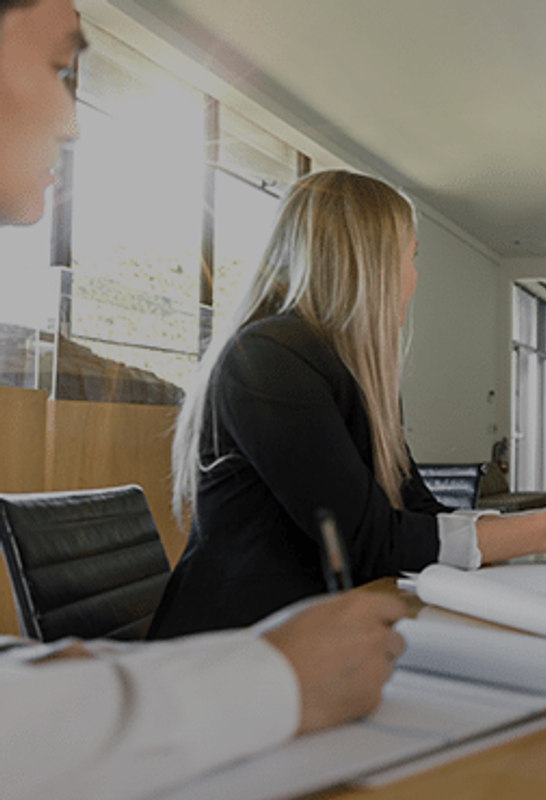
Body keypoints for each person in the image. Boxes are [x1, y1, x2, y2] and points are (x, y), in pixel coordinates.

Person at [0, 2, 407, 797]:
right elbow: (368, 537)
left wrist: (46, 671)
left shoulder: (338, 368)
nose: (72, 121)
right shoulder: (272, 356)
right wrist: (266, 682)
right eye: (57, 67)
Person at [148, 167, 546, 640]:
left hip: (314, 631)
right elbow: (370, 542)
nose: (413, 278)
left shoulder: (351, 372)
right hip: (235, 648)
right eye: (410, 257)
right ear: (370, 264)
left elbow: (415, 509)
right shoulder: (267, 359)